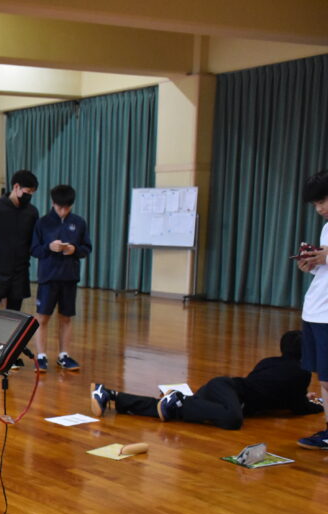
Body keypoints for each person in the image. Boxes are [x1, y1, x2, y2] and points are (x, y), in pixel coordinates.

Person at [89, 331, 321, 429]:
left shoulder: (271, 361)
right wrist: (318, 406)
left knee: (170, 410)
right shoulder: (302, 372)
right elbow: (298, 407)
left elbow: (268, 390)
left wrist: (298, 395)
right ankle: (179, 400)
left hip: (221, 391)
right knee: (233, 421)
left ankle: (110, 395)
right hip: (228, 392)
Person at [0, 170, 39, 366]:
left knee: (14, 316)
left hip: (19, 271)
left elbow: (32, 240)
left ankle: (9, 355)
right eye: (27, 192)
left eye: (32, 193)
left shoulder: (31, 212)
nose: (29, 196)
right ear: (16, 187)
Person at [30, 184, 92, 372]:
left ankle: (64, 355)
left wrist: (74, 249)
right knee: (42, 318)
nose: (63, 211)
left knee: (66, 318)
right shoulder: (42, 223)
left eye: (67, 207)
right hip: (48, 278)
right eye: (59, 207)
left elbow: (87, 248)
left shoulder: (79, 222)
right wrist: (49, 247)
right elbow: (34, 249)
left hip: (69, 278)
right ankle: (41, 356)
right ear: (53, 203)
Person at [295, 170, 328, 448]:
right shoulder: (327, 227)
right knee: (324, 379)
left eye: (323, 201)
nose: (319, 209)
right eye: (316, 204)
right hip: (316, 310)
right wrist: (311, 265)